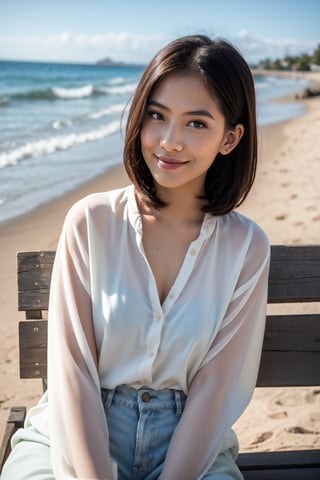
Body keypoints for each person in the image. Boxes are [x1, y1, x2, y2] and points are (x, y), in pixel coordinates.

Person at [1, 34, 270, 480]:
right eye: (156, 116)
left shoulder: (245, 246)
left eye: (197, 123)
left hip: (188, 444)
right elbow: (74, 373)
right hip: (71, 435)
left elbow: (213, 386)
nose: (170, 141)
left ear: (231, 137)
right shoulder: (91, 222)